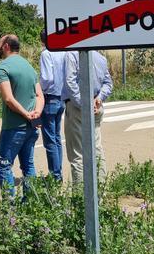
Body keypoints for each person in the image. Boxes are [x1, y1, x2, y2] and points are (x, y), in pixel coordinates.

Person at [0, 34, 44, 198]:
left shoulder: (3, 67)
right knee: (28, 165)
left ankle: (10, 208)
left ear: (6, 46)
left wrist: (25, 114)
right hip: (31, 126)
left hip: (13, 126)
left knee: (3, 165)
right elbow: (39, 95)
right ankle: (30, 203)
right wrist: (36, 113)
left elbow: (8, 98)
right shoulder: (29, 66)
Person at [63, 50, 113, 187]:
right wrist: (99, 98)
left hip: (78, 109)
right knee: (96, 150)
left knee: (78, 155)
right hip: (96, 106)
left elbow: (70, 82)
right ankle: (101, 192)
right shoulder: (100, 57)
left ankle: (80, 199)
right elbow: (108, 83)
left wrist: (84, 104)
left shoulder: (72, 54)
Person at [38, 29, 66, 182]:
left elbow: (47, 78)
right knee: (56, 138)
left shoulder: (46, 53)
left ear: (42, 41)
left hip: (50, 98)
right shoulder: (62, 51)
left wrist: (39, 90)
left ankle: (55, 176)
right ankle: (58, 172)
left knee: (50, 141)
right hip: (62, 97)